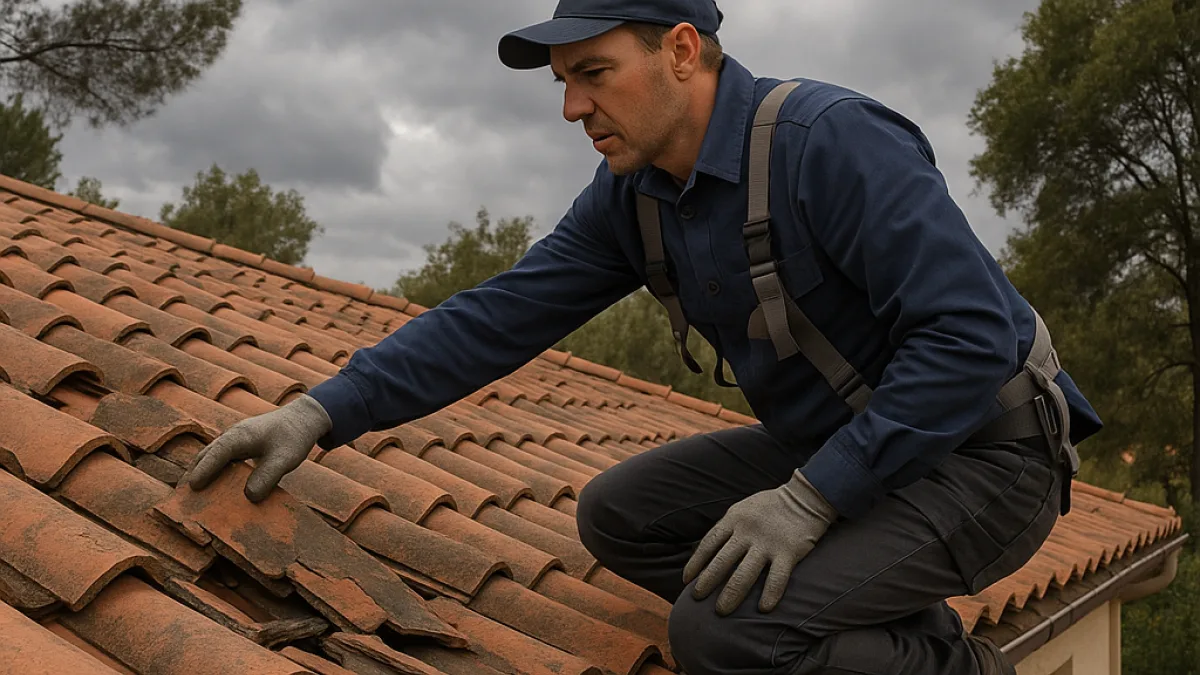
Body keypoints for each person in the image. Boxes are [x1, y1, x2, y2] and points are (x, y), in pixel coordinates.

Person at [183, 1, 1103, 673]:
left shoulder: (829, 141)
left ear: (680, 49)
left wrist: (813, 499)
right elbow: (500, 314)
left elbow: (973, 335)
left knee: (724, 632)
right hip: (852, 452)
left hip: (990, 457)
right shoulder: (636, 197)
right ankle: (908, 633)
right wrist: (323, 408)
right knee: (620, 514)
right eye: (564, 83)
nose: (573, 109)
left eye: (594, 74)